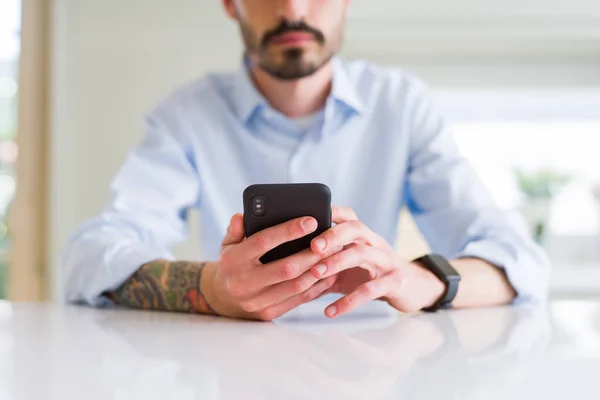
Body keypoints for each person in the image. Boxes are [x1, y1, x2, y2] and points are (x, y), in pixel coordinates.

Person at [62, 0, 550, 321]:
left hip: (372, 366)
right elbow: (88, 258)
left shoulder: (401, 104)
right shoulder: (186, 117)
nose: (293, 9)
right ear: (231, 4)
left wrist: (422, 280)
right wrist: (210, 287)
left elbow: (521, 261)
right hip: (233, 368)